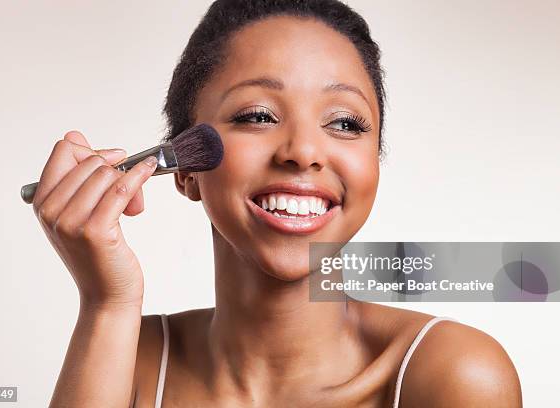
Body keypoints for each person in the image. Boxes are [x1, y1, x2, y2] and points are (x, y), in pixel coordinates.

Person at [32, 0, 522, 406]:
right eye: (258, 115)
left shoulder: (453, 375)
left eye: (346, 123)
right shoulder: (129, 360)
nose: (304, 152)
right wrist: (107, 304)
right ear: (185, 169)